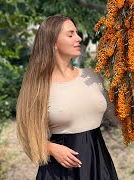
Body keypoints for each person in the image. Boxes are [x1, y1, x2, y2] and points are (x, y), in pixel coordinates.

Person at [16, 14, 119, 180]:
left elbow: (116, 116)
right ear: (53, 42)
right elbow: (26, 134)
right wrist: (50, 148)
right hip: (62, 171)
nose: (78, 38)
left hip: (99, 162)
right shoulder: (38, 86)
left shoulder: (91, 76)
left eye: (77, 33)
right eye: (70, 35)